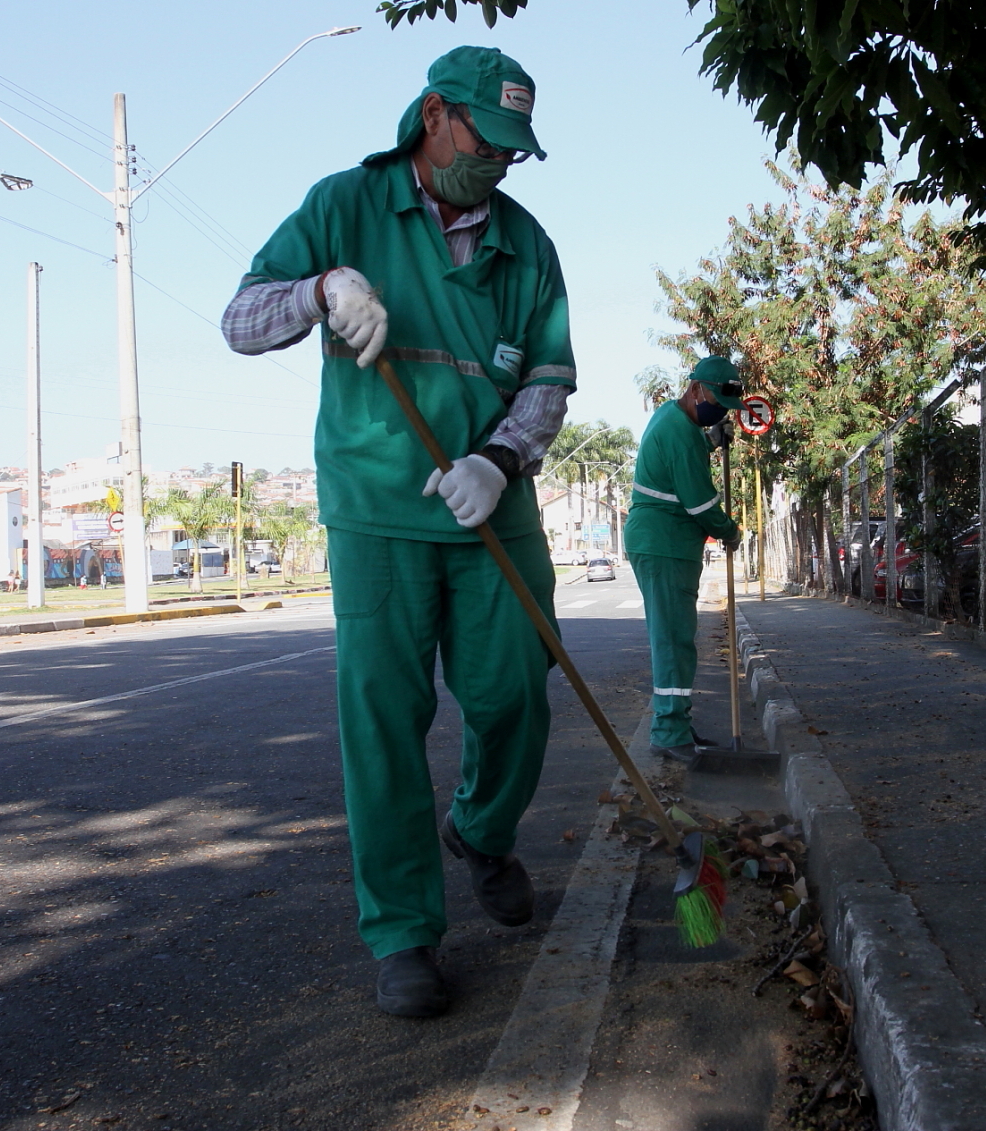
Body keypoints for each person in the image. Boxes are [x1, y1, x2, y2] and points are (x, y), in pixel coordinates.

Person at [221, 46, 576, 1018]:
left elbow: (547, 378)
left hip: (490, 503)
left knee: (516, 694)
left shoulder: (527, 245)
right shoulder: (344, 203)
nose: (497, 163)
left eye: (514, 149)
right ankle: (404, 932)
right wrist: (321, 290)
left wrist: (495, 463)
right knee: (382, 721)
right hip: (378, 510)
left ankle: (483, 829)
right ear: (434, 116)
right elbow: (240, 321)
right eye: (485, 140)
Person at [625, 357, 744, 762]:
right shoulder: (681, 433)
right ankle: (670, 731)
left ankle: (675, 724)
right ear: (695, 389)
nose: (722, 411)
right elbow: (700, 503)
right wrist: (731, 530)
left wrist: (710, 440)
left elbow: (676, 467)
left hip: (663, 544)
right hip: (665, 545)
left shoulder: (673, 420)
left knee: (674, 639)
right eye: (718, 401)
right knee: (673, 641)